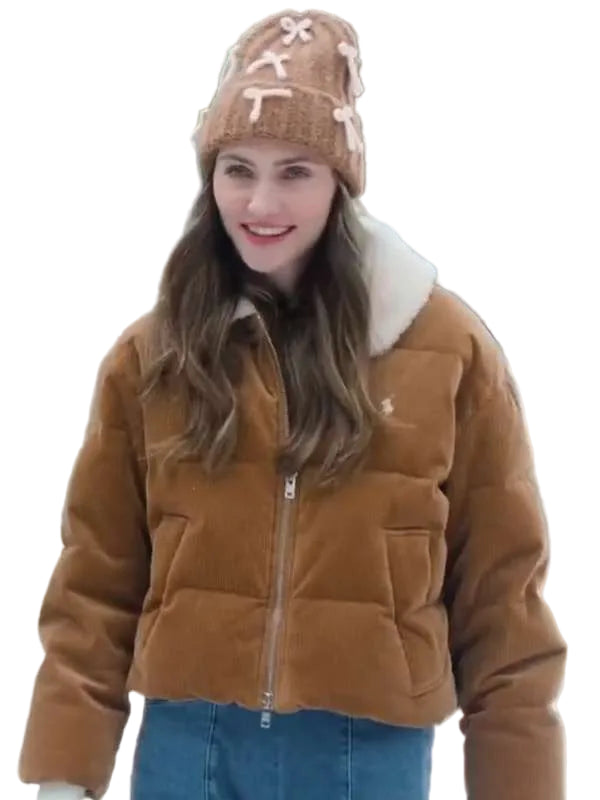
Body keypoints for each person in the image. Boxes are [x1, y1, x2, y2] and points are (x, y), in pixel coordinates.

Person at [18, 8, 567, 800]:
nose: (261, 203)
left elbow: (503, 594)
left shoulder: (445, 350)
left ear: (340, 181)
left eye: (295, 172)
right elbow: (94, 579)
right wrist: (65, 774)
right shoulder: (155, 355)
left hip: (365, 751)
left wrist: (519, 784)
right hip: (189, 744)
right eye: (238, 169)